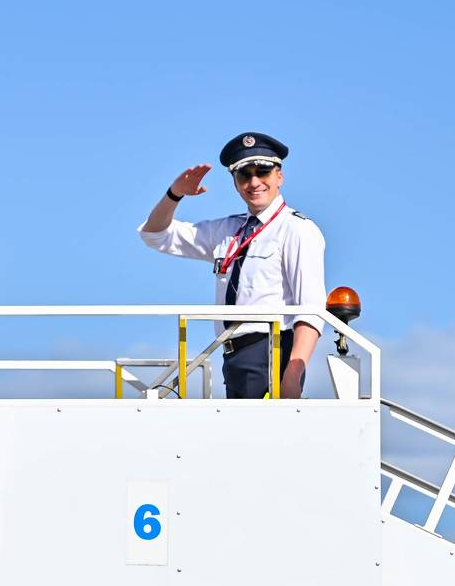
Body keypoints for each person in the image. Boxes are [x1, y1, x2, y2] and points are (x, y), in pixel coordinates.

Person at [139, 132, 325, 399]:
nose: (254, 182)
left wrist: (293, 375)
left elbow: (310, 310)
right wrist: (175, 194)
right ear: (235, 183)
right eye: (244, 175)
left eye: (263, 172)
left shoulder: (297, 229)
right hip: (232, 357)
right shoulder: (227, 230)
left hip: (271, 352)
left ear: (279, 177)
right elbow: (154, 235)